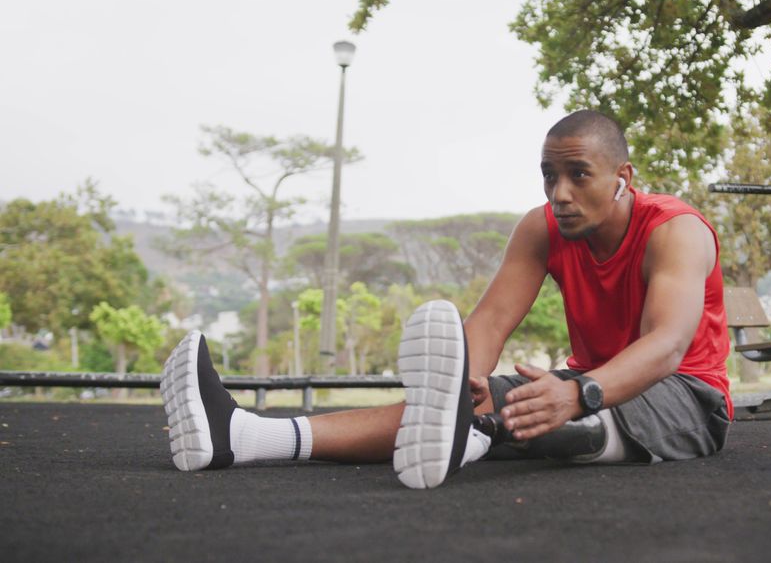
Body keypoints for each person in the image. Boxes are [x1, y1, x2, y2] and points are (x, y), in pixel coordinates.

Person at [160, 110, 732, 489]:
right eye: (549, 176)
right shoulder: (542, 228)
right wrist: (467, 380)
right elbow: (491, 320)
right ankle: (244, 437)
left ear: (622, 177)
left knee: (533, 409)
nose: (560, 193)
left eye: (578, 174)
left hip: (686, 397)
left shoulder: (675, 230)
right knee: (483, 401)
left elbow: (668, 345)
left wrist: (579, 393)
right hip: (587, 384)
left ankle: (474, 436)